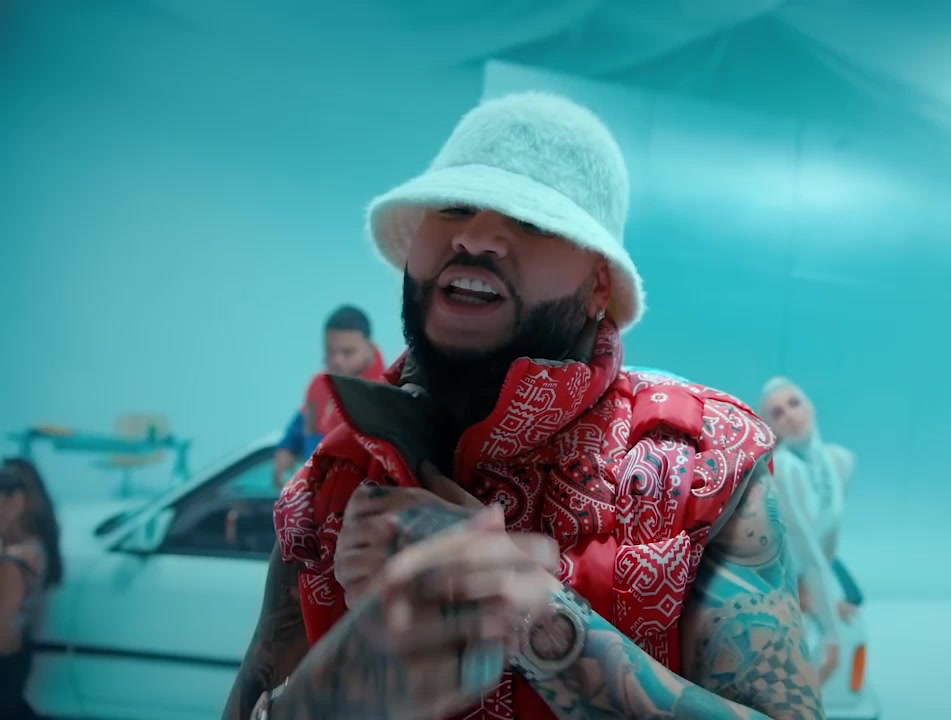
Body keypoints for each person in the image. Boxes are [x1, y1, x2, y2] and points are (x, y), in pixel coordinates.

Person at [223, 92, 832, 720]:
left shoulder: (705, 463)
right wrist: (324, 697)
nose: (474, 237)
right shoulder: (331, 480)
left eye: (531, 220)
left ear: (599, 284)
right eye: (453, 207)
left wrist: (535, 616)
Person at [760, 377, 863, 680]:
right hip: (776, 576)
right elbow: (804, 550)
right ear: (772, 427)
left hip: (809, 573)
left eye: (794, 403)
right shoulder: (782, 469)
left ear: (811, 406)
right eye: (777, 413)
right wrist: (831, 632)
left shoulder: (842, 460)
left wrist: (826, 598)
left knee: (851, 603)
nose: (790, 415)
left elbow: (828, 540)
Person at [272, 305, 386, 486]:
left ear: (369, 349)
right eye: (330, 351)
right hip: (315, 490)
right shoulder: (318, 385)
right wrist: (286, 448)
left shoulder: (385, 394)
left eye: (348, 352)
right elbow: (303, 424)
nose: (337, 360)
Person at [0, 458, 64, 720]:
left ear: (15, 501)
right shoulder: (37, 547)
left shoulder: (14, 561)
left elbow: (4, 635)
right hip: (18, 664)